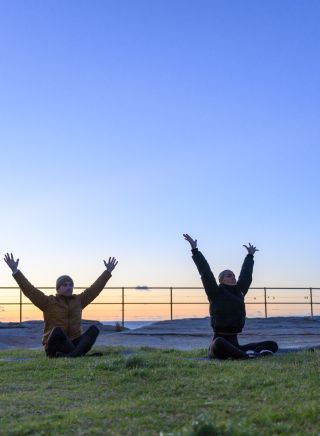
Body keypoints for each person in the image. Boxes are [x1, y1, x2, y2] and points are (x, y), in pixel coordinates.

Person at [4, 253, 118, 358]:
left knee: (94, 329)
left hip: (73, 343)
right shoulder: (48, 302)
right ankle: (78, 355)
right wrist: (15, 270)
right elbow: (30, 290)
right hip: (55, 345)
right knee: (57, 331)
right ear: (58, 288)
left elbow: (94, 289)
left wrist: (107, 271)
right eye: (65, 285)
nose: (69, 287)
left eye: (71, 285)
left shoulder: (79, 300)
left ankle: (72, 356)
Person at [183, 234, 278, 359]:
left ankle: (247, 355)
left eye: (233, 275)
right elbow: (205, 271)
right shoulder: (214, 291)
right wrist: (195, 250)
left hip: (235, 344)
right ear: (221, 280)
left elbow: (246, 275)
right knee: (219, 343)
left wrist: (250, 256)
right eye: (229, 275)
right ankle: (248, 357)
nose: (233, 277)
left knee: (272, 344)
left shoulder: (239, 291)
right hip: (218, 346)